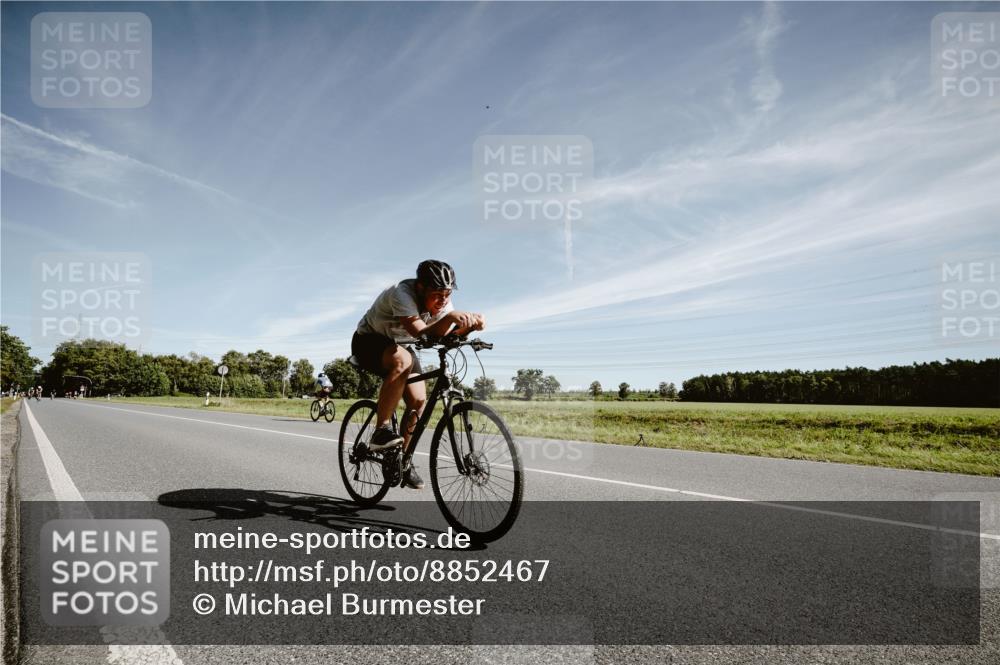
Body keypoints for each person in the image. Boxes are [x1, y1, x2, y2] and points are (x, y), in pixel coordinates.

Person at [351, 260, 485, 490]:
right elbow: (421, 333)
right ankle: (381, 430)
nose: (443, 300)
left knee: (419, 401)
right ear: (421, 288)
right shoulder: (401, 293)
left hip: (401, 346)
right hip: (367, 341)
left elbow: (444, 336)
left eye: (447, 294)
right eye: (437, 294)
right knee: (402, 360)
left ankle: (402, 460)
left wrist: (471, 326)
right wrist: (452, 319)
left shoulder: (444, 303)